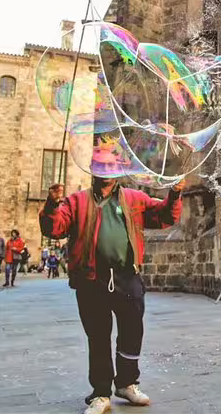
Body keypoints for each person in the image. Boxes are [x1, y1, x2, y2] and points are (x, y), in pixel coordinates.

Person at [40, 177, 184, 414]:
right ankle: (100, 393)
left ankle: (127, 384)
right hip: (91, 278)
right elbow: (55, 228)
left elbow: (164, 216)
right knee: (97, 336)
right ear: (94, 172)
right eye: (100, 167)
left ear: (116, 172)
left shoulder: (134, 198)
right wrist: (53, 205)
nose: (105, 173)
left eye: (110, 166)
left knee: (132, 331)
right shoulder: (77, 201)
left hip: (127, 276)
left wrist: (175, 195)